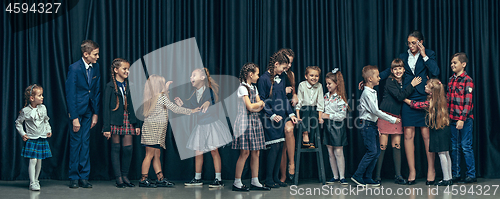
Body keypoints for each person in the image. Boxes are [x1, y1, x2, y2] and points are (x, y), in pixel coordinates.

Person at [176, 68, 232, 188]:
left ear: (202, 78)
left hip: (211, 125)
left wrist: (208, 103)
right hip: (201, 126)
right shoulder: (194, 94)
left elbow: (212, 101)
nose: (191, 77)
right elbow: (192, 108)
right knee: (198, 152)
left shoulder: (209, 91)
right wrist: (182, 105)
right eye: (191, 75)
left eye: (194, 75)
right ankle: (197, 178)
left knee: (214, 150)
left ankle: (218, 179)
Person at [140, 75, 200, 188]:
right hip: (153, 129)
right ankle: (143, 179)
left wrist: (166, 88)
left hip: (154, 129)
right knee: (149, 155)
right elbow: (174, 108)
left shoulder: (152, 96)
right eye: (162, 84)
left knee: (156, 154)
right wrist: (191, 111)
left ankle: (160, 178)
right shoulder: (161, 96)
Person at [374, 58, 421, 185]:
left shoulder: (405, 79)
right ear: (392, 70)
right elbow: (400, 97)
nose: (398, 71)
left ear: (404, 69)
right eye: (395, 68)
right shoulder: (390, 81)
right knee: (382, 146)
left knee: (397, 145)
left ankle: (398, 175)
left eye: (400, 68)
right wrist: (412, 85)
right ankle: (377, 176)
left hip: (397, 116)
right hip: (385, 115)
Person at [352, 65, 400, 187]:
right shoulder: (367, 93)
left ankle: (368, 177)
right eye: (377, 76)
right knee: (372, 152)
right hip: (366, 125)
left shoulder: (372, 92)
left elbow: (373, 114)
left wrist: (376, 127)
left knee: (377, 152)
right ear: (369, 79)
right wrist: (392, 119)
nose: (379, 78)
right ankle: (357, 175)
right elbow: (375, 111)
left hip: (371, 125)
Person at [257, 51, 298, 188]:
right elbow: (262, 100)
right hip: (270, 119)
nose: (285, 70)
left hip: (280, 119)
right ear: (276, 64)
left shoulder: (281, 78)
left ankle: (276, 178)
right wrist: (271, 115)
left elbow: (284, 99)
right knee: (274, 148)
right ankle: (268, 179)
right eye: (284, 67)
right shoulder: (263, 79)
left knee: (280, 147)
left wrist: (291, 114)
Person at [65, 40, 101, 188]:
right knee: (76, 144)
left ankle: (84, 176)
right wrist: (74, 118)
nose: (98, 57)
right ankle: (74, 177)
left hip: (88, 111)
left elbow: (96, 91)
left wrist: (95, 113)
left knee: (85, 143)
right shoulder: (74, 68)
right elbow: (70, 93)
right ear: (86, 54)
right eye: (95, 54)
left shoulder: (96, 67)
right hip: (76, 112)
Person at [404, 78, 452, 186]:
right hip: (445, 128)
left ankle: (446, 179)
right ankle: (449, 177)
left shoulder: (431, 102)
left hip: (438, 130)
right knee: (446, 153)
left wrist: (404, 99)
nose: (424, 87)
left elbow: (415, 105)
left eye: (426, 86)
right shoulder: (441, 99)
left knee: (441, 154)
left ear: (431, 91)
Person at [102, 58, 141, 188]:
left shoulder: (131, 86)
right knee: (116, 148)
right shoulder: (110, 86)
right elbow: (105, 108)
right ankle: (118, 178)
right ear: (115, 70)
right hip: (115, 120)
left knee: (128, 149)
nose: (127, 71)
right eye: (124, 69)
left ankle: (125, 176)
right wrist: (106, 127)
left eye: (128, 69)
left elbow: (135, 107)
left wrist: (136, 124)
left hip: (128, 119)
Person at [231, 63, 270, 191]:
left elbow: (259, 106)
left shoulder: (253, 87)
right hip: (244, 122)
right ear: (250, 74)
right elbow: (250, 106)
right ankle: (237, 182)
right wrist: (257, 105)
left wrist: (257, 106)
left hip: (254, 121)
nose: (258, 77)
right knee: (245, 152)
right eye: (257, 74)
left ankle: (255, 181)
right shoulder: (242, 88)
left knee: (256, 152)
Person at [15, 84, 52, 191]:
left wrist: (48, 130)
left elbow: (46, 120)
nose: (42, 97)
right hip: (32, 138)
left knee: (39, 160)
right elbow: (18, 123)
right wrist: (23, 134)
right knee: (33, 160)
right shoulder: (25, 111)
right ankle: (32, 182)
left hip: (41, 137)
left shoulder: (43, 108)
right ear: (32, 98)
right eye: (40, 95)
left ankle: (36, 180)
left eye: (42, 95)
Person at [447, 52, 476, 184]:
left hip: (464, 120)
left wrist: (462, 119)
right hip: (452, 119)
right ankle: (456, 174)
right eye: (452, 63)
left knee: (465, 146)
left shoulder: (468, 80)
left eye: (455, 63)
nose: (452, 65)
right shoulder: (451, 79)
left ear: (463, 64)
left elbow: (467, 103)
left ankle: (471, 174)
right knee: (454, 147)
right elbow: (448, 100)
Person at [322, 69, 349, 185]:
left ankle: (342, 176)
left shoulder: (340, 98)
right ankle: (335, 176)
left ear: (336, 84)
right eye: (326, 83)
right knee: (330, 151)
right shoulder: (325, 96)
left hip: (337, 126)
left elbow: (342, 115)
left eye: (329, 83)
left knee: (338, 151)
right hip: (327, 126)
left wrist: (327, 115)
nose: (327, 86)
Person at [278, 48, 298, 183]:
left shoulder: (291, 74)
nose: (289, 65)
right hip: (277, 109)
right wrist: (281, 91)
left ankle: (292, 163)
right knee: (282, 144)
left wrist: (295, 94)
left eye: (291, 63)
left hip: (289, 110)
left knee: (289, 130)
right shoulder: (274, 74)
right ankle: (283, 176)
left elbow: (294, 90)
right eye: (287, 62)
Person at [296, 66, 324, 148]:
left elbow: (320, 102)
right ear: (306, 76)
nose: (314, 78)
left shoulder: (319, 86)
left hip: (314, 110)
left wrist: (320, 117)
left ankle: (311, 141)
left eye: (316, 76)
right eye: (311, 75)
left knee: (314, 116)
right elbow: (299, 101)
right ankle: (305, 133)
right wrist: (298, 116)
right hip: (303, 110)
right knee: (308, 109)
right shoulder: (302, 85)